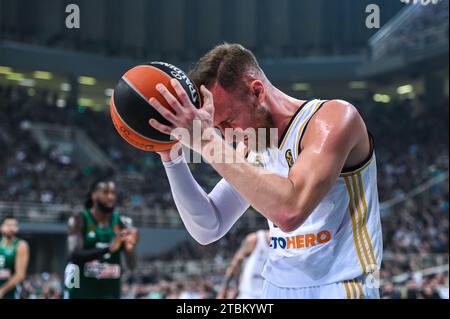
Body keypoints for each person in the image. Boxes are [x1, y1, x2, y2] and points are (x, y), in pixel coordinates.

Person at [149, 43, 383, 299]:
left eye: (228, 120)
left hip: (341, 286)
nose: (227, 135)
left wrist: (205, 141)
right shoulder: (255, 145)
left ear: (257, 92)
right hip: (274, 288)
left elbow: (290, 211)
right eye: (217, 128)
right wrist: (171, 157)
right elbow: (209, 227)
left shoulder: (333, 118)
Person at [64, 179, 139, 299]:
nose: (110, 197)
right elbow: (75, 255)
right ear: (94, 195)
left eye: (113, 193)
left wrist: (130, 248)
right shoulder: (79, 220)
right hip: (81, 291)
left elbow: (132, 266)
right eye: (105, 192)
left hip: (110, 292)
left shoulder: (122, 223)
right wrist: (108, 249)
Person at [217, 230, 270, 299]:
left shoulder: (284, 247)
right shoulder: (255, 239)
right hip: (248, 294)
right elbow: (235, 264)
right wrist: (223, 291)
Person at [0, 215, 29, 299]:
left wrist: (2, 290)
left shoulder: (20, 245)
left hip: (11, 291)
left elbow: (20, 274)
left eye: (14, 225)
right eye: (8, 225)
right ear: (1, 227)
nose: (11, 228)